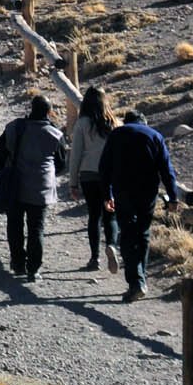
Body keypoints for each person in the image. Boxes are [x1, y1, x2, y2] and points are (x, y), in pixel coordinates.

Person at [98, 108, 178, 302]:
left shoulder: (117, 134)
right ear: (144, 122)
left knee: (127, 232)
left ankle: (136, 281)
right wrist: (173, 197)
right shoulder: (155, 136)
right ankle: (141, 279)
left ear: (126, 121)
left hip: (123, 189)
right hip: (147, 191)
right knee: (142, 233)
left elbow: (104, 167)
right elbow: (166, 169)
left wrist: (106, 194)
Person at [0, 95, 64, 283]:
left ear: (30, 108)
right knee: (36, 228)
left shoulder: (14, 127)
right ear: (49, 112)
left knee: (14, 225)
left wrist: (2, 171)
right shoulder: (55, 133)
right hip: (41, 187)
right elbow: (62, 164)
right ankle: (33, 269)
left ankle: (17, 262)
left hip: (15, 184)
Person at [66, 85, 119, 273]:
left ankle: (94, 258)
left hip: (89, 174)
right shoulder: (114, 123)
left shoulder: (82, 124)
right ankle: (112, 244)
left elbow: (76, 155)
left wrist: (73, 182)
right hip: (110, 175)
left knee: (94, 216)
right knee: (110, 213)